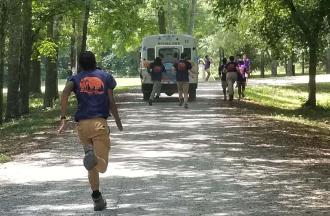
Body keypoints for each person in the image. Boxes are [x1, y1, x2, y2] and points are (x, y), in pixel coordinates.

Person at [58, 51, 123, 211]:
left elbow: (65, 93)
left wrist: (63, 117)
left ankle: (97, 199)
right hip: (98, 125)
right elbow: (111, 101)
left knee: (91, 165)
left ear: (80, 64)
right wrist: (118, 121)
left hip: (82, 127)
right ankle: (92, 157)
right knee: (101, 166)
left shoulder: (75, 79)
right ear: (95, 61)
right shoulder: (105, 77)